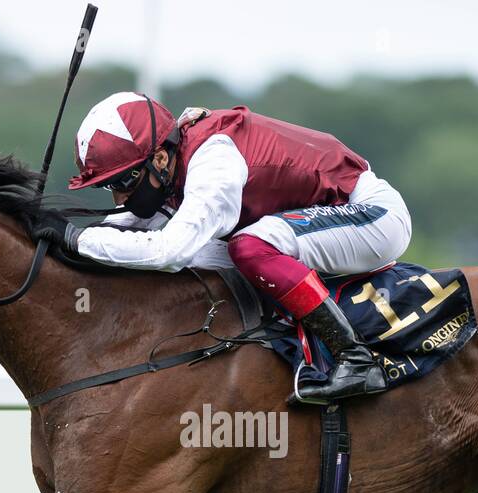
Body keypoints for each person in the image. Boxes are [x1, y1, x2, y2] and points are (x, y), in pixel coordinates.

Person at [37, 91, 413, 403]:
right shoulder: (172, 162)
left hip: (372, 214)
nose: (119, 196)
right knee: (212, 255)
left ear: (161, 158)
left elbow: (168, 250)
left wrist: (77, 238)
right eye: (108, 186)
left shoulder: (213, 164)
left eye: (123, 181)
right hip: (322, 215)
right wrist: (65, 235)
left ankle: (355, 359)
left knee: (249, 247)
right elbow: (128, 226)